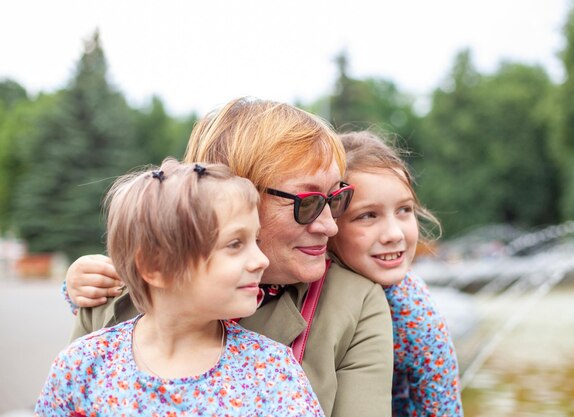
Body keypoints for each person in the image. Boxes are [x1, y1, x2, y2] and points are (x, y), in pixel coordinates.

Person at [62, 98, 394, 417]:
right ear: (233, 194)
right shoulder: (111, 297)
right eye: (307, 203)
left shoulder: (353, 303)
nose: (330, 225)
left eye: (336, 198)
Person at [36, 159, 324, 416]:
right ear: (155, 267)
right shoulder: (82, 366)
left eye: (255, 241)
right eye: (235, 244)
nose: (260, 260)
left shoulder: (271, 371)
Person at [328, 131, 464, 416]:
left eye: (404, 210)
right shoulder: (298, 286)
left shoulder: (415, 315)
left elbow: (443, 408)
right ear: (327, 220)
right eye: (368, 215)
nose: (394, 233)